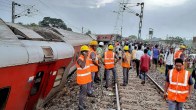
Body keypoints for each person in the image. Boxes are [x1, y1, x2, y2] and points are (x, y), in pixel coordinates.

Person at [76, 45, 92, 110]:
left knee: (84, 93)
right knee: (82, 93)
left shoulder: (86, 58)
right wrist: (85, 57)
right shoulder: (79, 59)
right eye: (87, 52)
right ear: (83, 52)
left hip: (86, 79)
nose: (88, 53)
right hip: (82, 80)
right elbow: (82, 66)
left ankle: (82, 104)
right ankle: (80, 106)